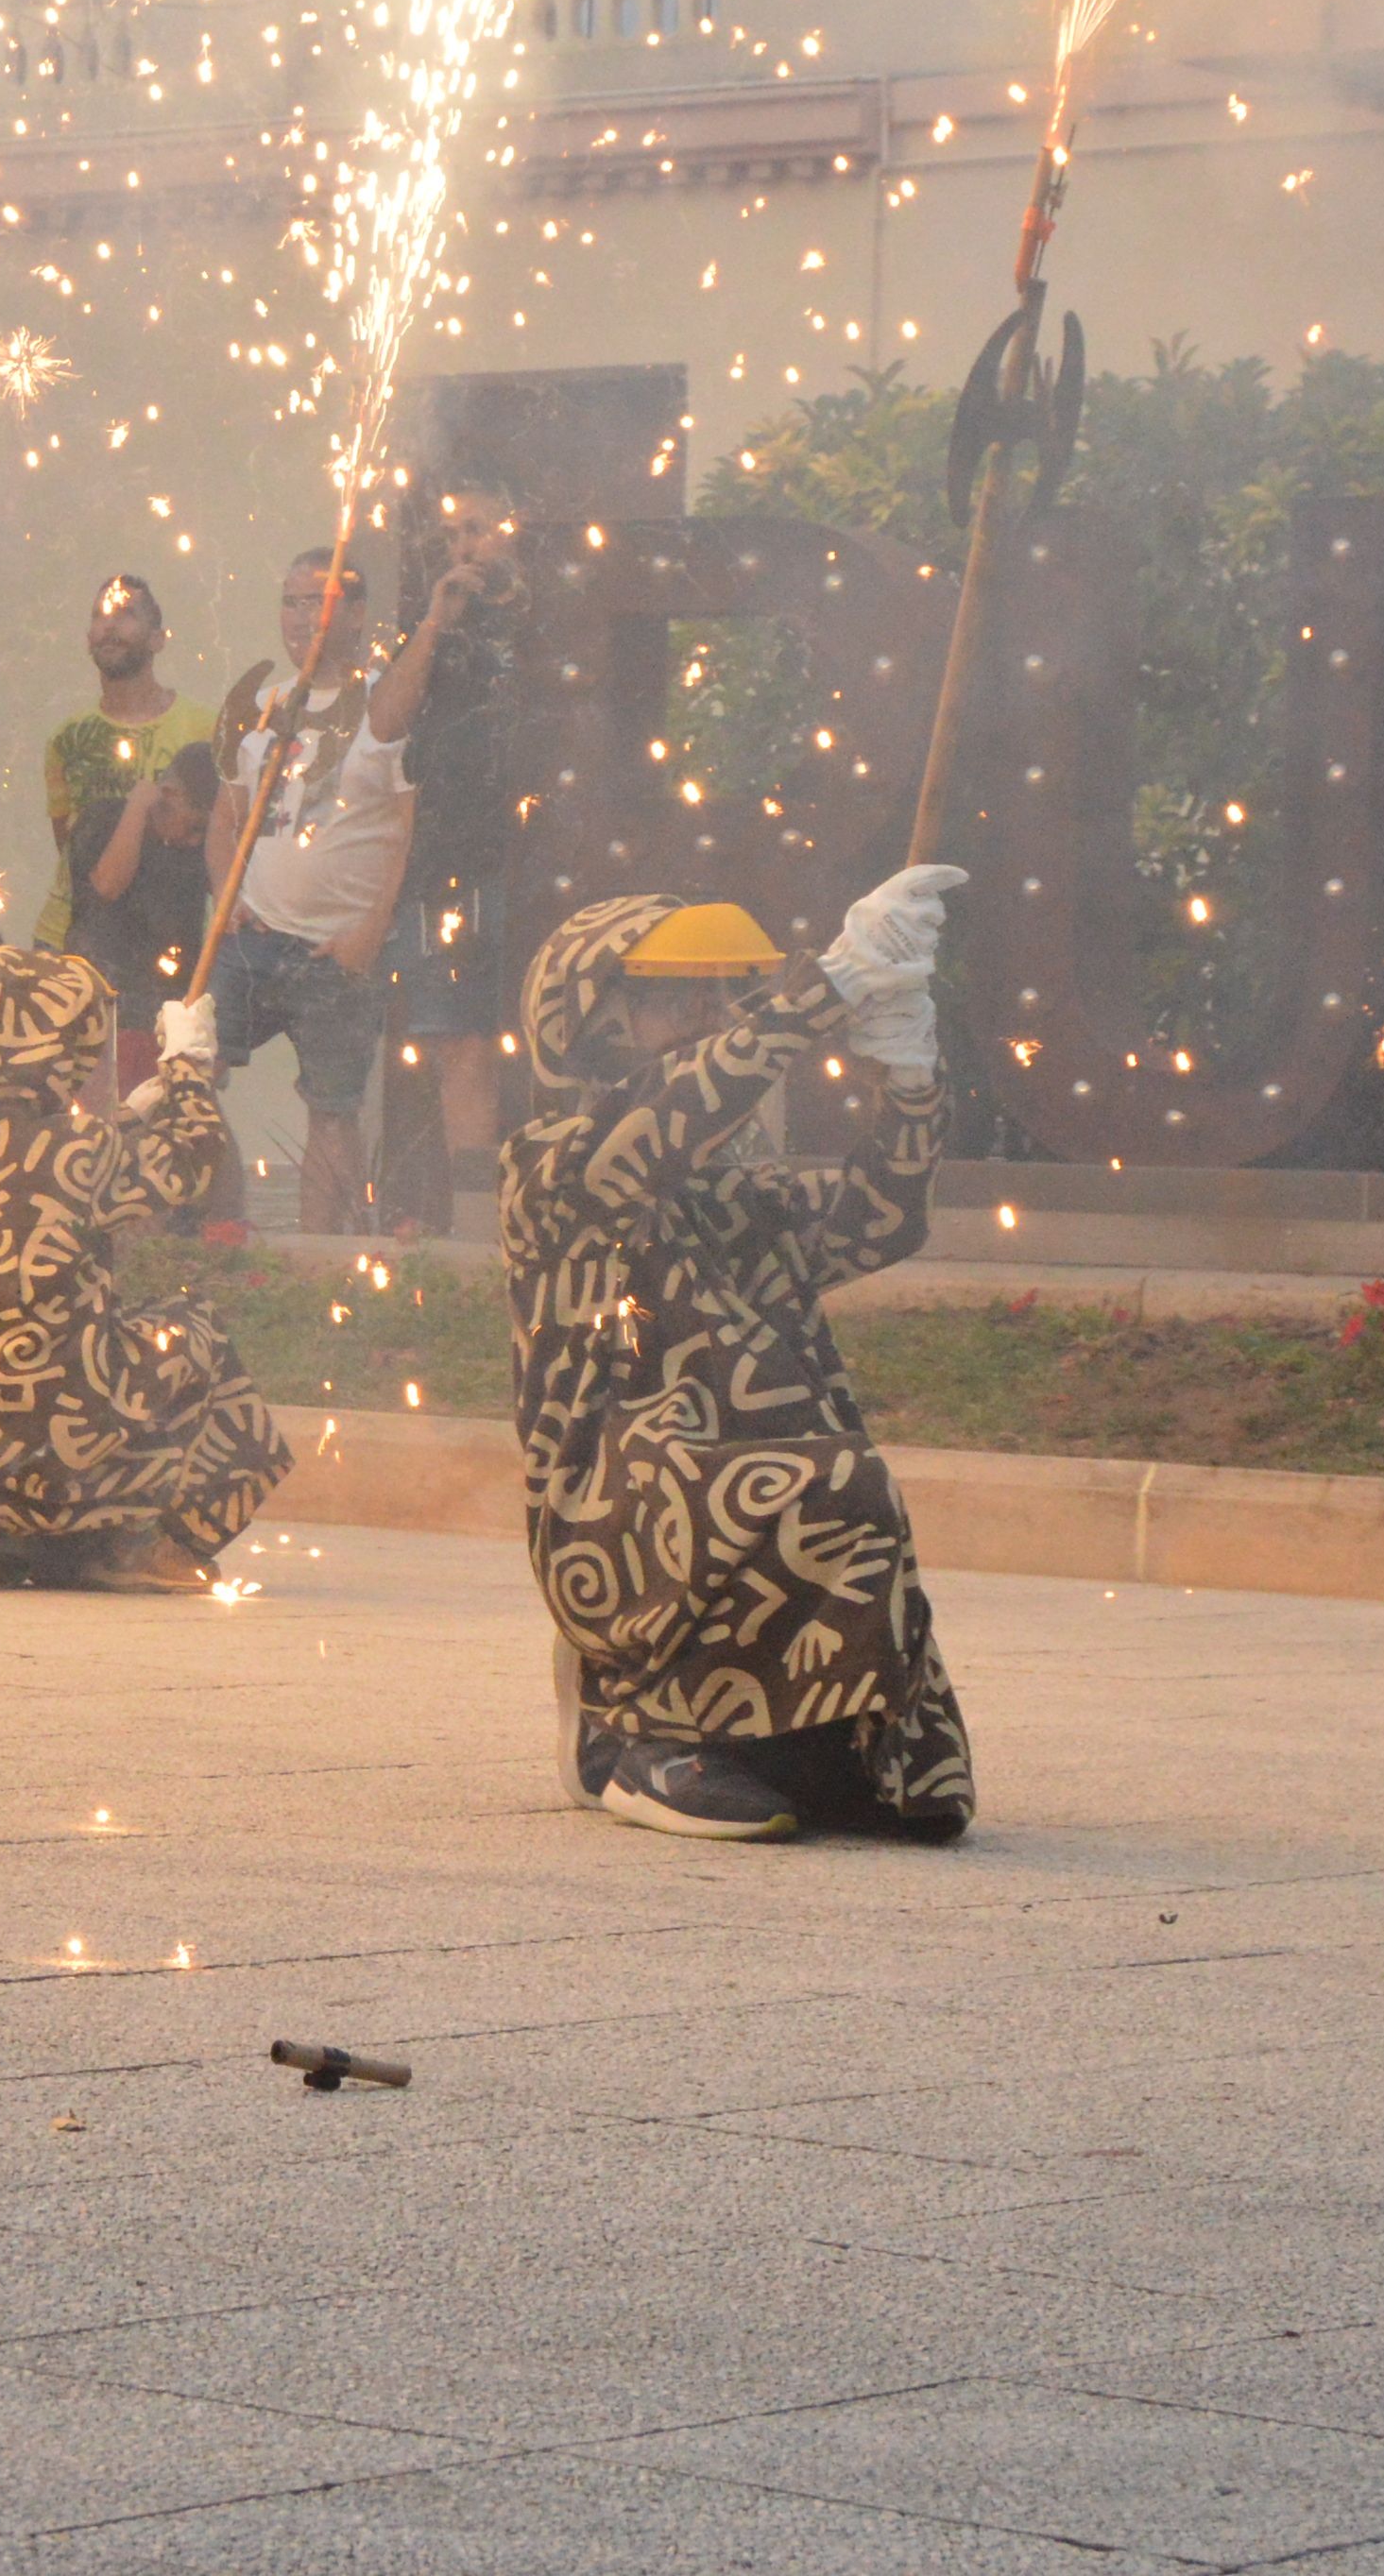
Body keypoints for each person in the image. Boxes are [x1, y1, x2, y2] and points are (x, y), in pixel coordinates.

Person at [507, 867, 979, 1846]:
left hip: (763, 1467)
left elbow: (876, 1222)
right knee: (813, 1482)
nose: (707, 1013)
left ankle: (803, 1743)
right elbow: (673, 1110)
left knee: (847, 1494)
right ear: (592, 1018)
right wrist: (832, 984)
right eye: (672, 995)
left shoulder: (735, 1186)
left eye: (716, 994)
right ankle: (630, 1734)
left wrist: (910, 1081)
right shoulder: (554, 1157)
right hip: (621, 1488)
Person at [0, 948, 282, 1592]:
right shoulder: (83, 1149)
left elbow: (44, 1157)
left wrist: (133, 1115)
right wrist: (188, 1067)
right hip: (60, 1414)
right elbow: (195, 1161)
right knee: (194, 1334)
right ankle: (148, 1542)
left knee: (102, 1354)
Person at [201, 545, 420, 1237]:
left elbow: (409, 828)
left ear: (355, 614)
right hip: (254, 933)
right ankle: (221, 1228)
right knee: (187, 1071)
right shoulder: (262, 707)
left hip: (336, 946)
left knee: (332, 1105)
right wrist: (224, 899)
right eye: (291, 602)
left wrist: (370, 930)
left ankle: (320, 1259)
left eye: (318, 602)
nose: (301, 618)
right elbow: (224, 819)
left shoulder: (387, 702)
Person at [384, 472, 538, 1237]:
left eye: (477, 528)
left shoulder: (543, 615)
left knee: (527, 1039)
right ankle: (476, 1222)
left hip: (530, 859)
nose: (463, 546)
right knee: (456, 1040)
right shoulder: (434, 624)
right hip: (444, 859)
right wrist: (434, 626)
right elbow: (385, 720)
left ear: (512, 529)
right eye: (451, 535)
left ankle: (522, 1218)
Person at [38, 575, 212, 1098]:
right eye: (99, 615)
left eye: (127, 613)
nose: (110, 625)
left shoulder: (204, 729)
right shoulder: (69, 739)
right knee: (82, 1110)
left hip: (166, 957)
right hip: (75, 941)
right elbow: (66, 845)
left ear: (159, 637)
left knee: (165, 1113)